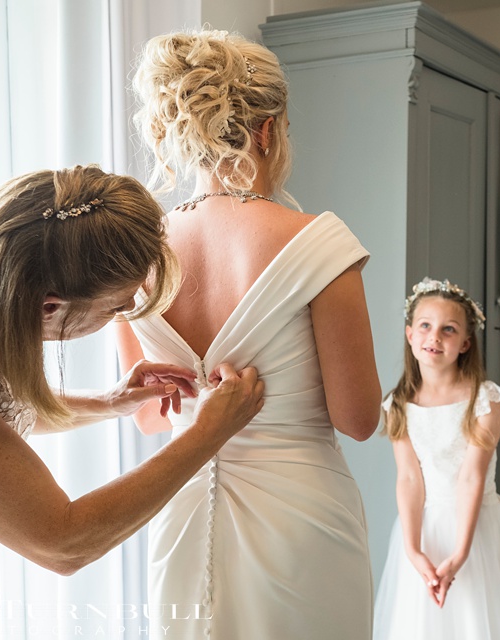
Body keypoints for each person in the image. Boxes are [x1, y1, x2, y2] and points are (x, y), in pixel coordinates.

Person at [0, 165, 264, 640]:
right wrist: (208, 433)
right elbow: (61, 543)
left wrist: (108, 401)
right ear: (51, 305)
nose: (123, 316)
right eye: (116, 307)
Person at [117, 27, 381, 639]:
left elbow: (152, 417)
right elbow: (359, 419)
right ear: (268, 129)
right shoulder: (317, 242)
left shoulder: (139, 252)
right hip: (302, 520)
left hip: (181, 510)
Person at [373, 277, 500, 640]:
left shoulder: (485, 399)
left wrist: (461, 552)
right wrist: (413, 548)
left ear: (465, 343)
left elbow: (471, 478)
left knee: (474, 623)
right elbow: (409, 479)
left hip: (475, 529)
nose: (434, 337)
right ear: (410, 335)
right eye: (425, 326)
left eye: (448, 330)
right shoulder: (399, 404)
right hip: (422, 529)